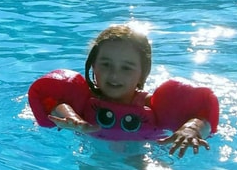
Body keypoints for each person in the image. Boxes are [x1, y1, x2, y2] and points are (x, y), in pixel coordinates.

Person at [28, 24, 219, 158]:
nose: (114, 75)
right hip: (94, 157)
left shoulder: (151, 106)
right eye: (106, 64)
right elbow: (54, 104)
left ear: (143, 73)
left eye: (126, 68)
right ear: (93, 66)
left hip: (143, 156)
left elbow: (203, 116)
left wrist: (191, 129)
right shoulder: (83, 103)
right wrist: (71, 118)